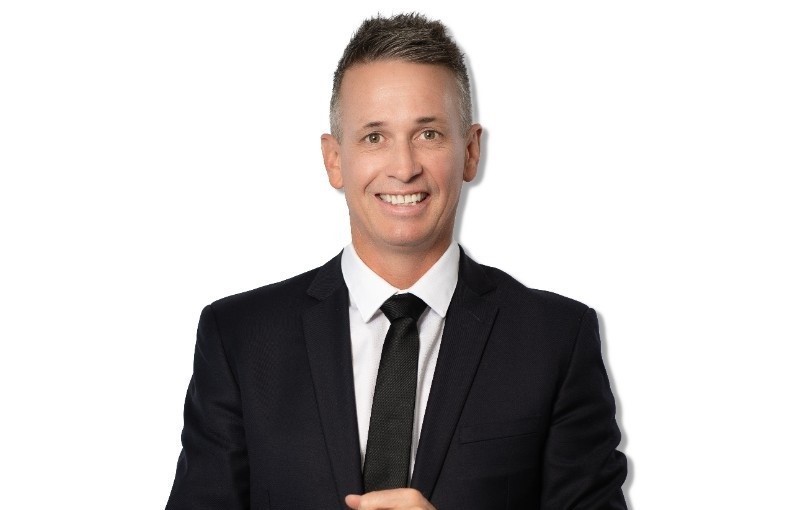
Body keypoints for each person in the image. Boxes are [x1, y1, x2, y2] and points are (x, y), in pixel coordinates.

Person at [166, 13, 627, 510]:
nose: (404, 168)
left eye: (428, 134)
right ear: (334, 160)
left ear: (471, 151)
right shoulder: (240, 338)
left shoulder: (555, 340)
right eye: (374, 137)